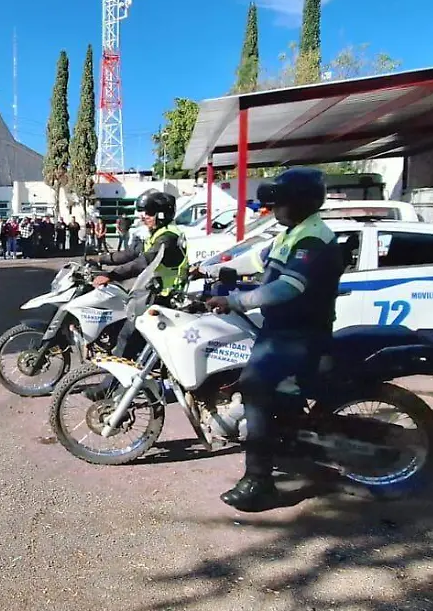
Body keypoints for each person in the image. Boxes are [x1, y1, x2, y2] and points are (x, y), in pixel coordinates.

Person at [203, 167, 343, 512]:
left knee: (254, 386)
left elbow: (286, 288)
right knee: (269, 390)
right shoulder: (292, 233)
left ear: (298, 203)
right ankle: (287, 445)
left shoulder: (313, 239)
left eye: (280, 203)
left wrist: (234, 300)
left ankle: (259, 481)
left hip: (300, 333)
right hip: (281, 329)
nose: (275, 209)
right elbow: (258, 259)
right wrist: (207, 268)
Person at [89, 191, 188, 358]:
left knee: (126, 336)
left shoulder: (168, 237)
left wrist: (111, 275)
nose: (143, 217)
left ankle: (115, 383)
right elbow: (131, 254)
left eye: (149, 213)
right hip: (153, 292)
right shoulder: (157, 234)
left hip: (164, 297)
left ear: (162, 214)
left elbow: (143, 262)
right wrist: (100, 259)